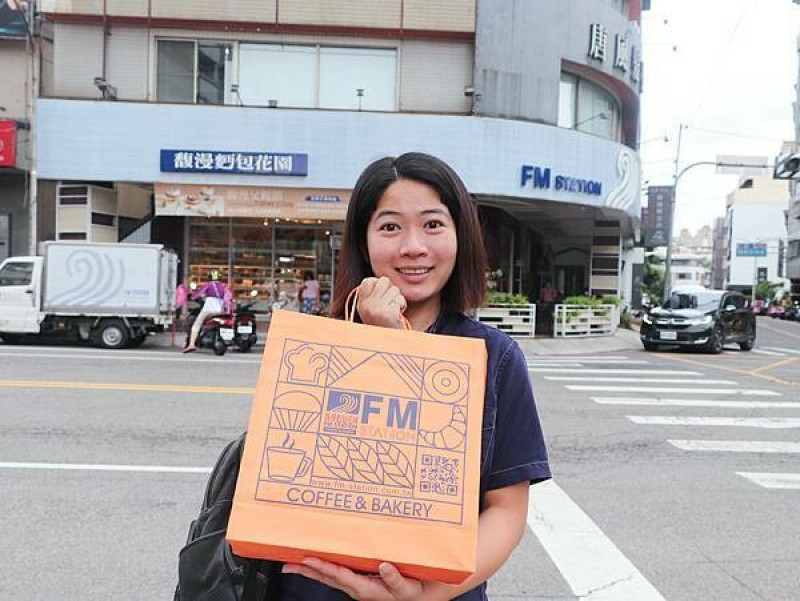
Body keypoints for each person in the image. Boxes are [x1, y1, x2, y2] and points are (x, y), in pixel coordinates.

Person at [177, 152, 551, 600]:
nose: (413, 246)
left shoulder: (495, 357)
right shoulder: (314, 347)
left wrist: (421, 597)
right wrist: (377, 338)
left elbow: (507, 511)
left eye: (433, 224)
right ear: (364, 240)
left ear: (460, 235)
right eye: (390, 226)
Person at [183, 270, 231, 353]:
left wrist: (192, 297)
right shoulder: (224, 286)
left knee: (196, 324)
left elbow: (199, 293)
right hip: (220, 309)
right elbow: (228, 297)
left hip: (209, 308)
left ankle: (191, 344)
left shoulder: (209, 285)